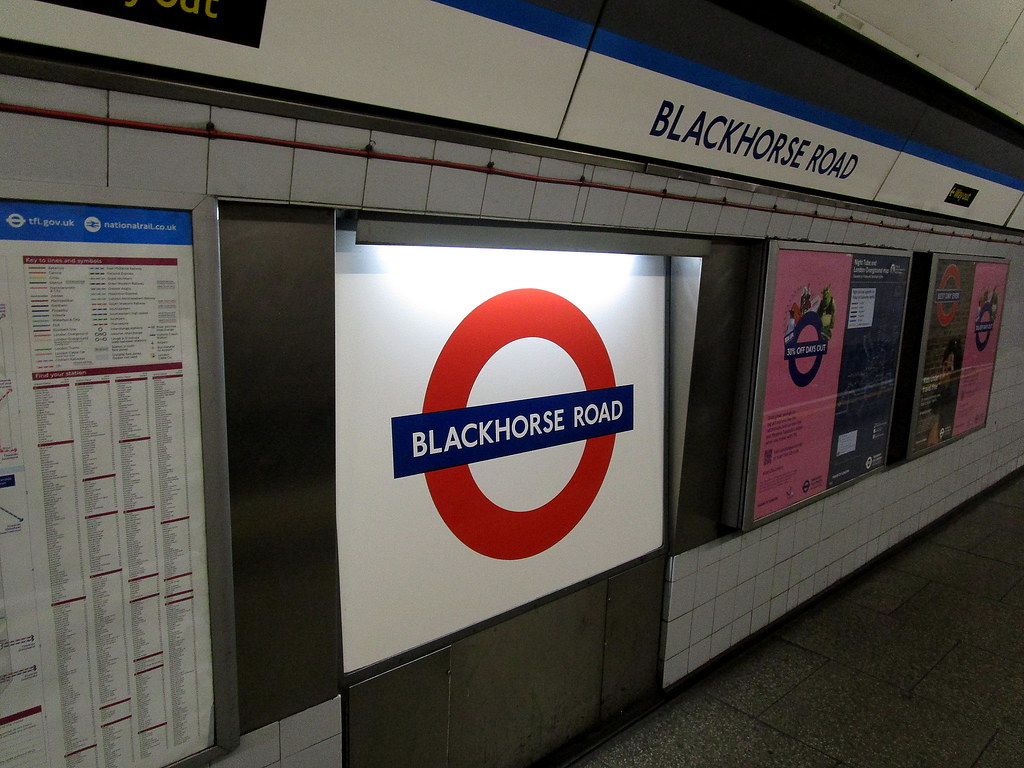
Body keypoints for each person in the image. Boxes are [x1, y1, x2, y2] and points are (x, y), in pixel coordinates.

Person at [927, 337, 963, 445]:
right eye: (946, 362)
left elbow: (949, 400)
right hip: (939, 424)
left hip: (947, 424)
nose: (947, 365)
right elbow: (933, 405)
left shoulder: (956, 383)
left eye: (951, 362)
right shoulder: (942, 381)